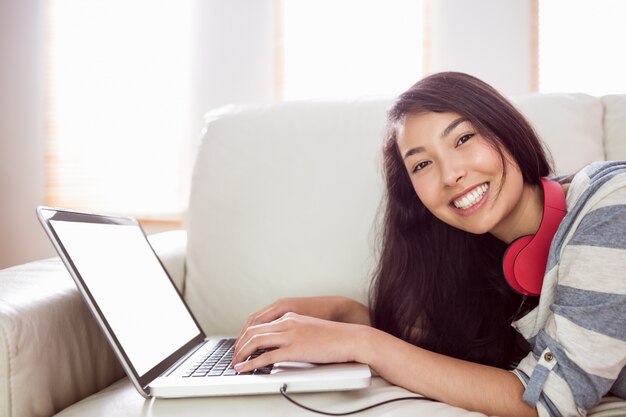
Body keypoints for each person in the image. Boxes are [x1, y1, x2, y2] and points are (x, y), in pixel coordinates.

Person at [231, 72, 626, 417]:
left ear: (505, 129)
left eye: (464, 138)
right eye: (422, 164)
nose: (451, 174)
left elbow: (547, 401)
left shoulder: (610, 202)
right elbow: (461, 355)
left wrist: (362, 343)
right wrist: (348, 315)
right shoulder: (495, 262)